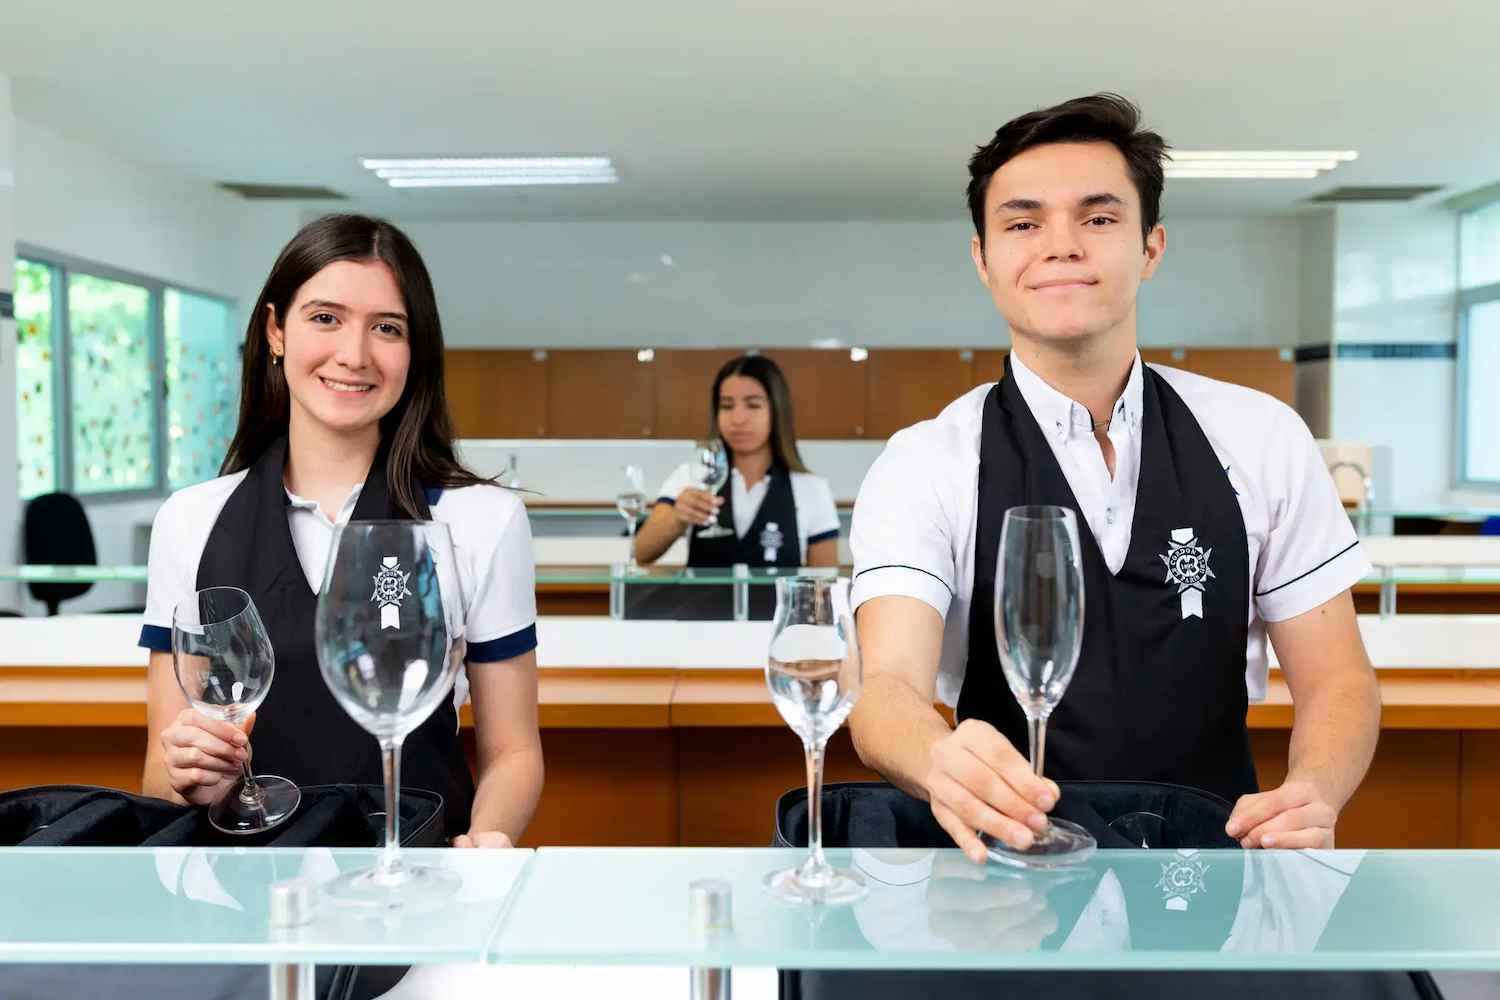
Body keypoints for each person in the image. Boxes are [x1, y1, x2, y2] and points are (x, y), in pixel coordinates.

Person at [847, 94, 1381, 864]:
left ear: (1151, 247)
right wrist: (936, 761)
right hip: (1007, 876)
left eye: (1097, 218)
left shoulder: (1260, 436)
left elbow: (1339, 681)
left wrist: (1316, 790)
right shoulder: (926, 460)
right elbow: (886, 690)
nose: (1061, 246)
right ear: (984, 258)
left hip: (1217, 867)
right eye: (1023, 223)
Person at [139, 214, 543, 847]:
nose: (354, 355)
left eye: (387, 328)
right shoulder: (190, 520)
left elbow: (514, 751)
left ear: (416, 352)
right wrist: (195, 776)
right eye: (325, 318)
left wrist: (487, 839)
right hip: (245, 893)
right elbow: (160, 782)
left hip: (417, 879)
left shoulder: (481, 519)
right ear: (275, 331)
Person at [635, 354, 840, 569]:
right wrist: (677, 518)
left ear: (777, 411)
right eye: (726, 406)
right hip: (703, 604)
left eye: (753, 405)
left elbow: (823, 587)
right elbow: (641, 553)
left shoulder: (811, 488)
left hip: (776, 605)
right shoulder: (691, 476)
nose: (738, 419)